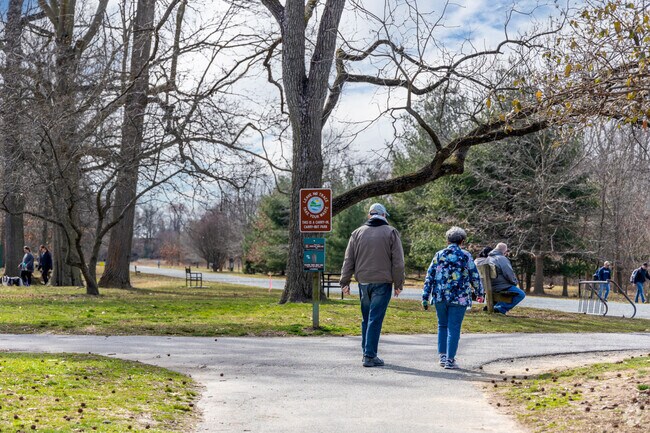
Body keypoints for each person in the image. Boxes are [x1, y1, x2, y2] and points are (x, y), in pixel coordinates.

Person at [340, 203, 405, 368]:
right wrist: (399, 283)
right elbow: (398, 262)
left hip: (363, 282)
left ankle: (366, 352)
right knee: (375, 318)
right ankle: (369, 355)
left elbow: (349, 260)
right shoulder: (391, 232)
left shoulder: (357, 233)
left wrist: (345, 281)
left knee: (366, 318)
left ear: (370, 215)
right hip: (382, 282)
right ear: (383, 216)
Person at [421, 227, 484, 369]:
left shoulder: (439, 255)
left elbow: (429, 276)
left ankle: (442, 357)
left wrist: (425, 297)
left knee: (442, 325)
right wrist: (480, 293)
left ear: (447, 240)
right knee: (454, 328)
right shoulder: (465, 255)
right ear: (462, 241)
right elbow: (475, 276)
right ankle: (450, 360)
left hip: (440, 296)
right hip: (459, 297)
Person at [487, 243, 526, 314]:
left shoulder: (488, 258)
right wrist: (514, 282)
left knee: (508, 292)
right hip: (500, 286)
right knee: (521, 294)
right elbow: (509, 274)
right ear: (505, 251)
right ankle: (500, 309)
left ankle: (495, 306)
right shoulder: (502, 259)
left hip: (489, 285)